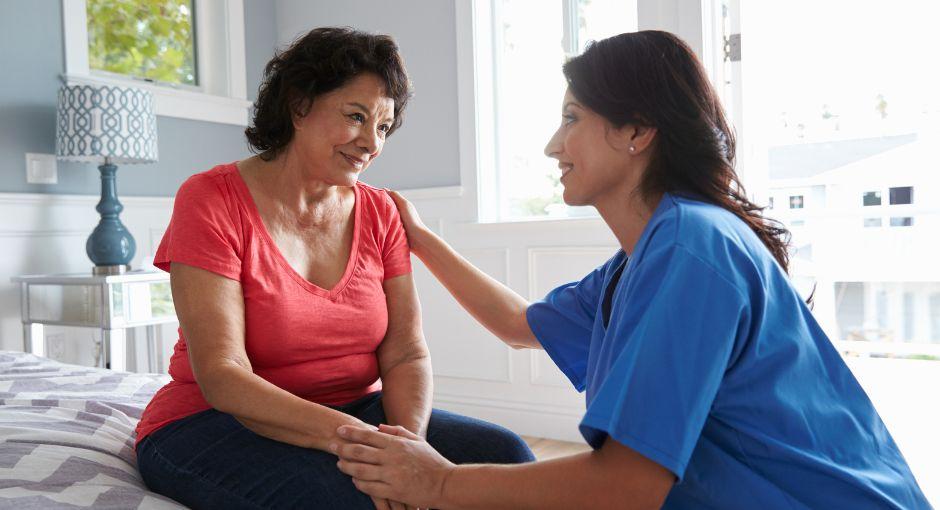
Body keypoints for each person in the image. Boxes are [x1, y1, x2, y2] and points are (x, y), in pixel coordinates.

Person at [332, 31, 931, 509]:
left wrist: (438, 484)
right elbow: (517, 324)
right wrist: (421, 237)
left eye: (572, 118)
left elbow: (625, 487)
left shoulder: (693, 249)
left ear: (638, 131)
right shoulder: (646, 257)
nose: (552, 145)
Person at [134, 27, 534, 510]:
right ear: (299, 106)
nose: (372, 143)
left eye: (383, 126)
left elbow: (406, 353)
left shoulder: (381, 211)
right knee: (347, 499)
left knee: (507, 457)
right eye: (356, 117)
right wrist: (361, 446)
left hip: (356, 411)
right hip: (211, 423)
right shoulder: (210, 198)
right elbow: (222, 373)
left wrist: (406, 449)